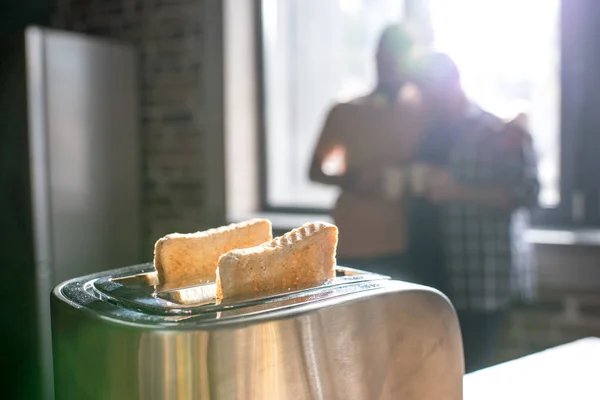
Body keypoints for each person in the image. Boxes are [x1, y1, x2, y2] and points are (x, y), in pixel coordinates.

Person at [410, 53, 539, 372]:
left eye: (433, 90)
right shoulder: (424, 132)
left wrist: (456, 191)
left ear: (453, 82)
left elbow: (528, 193)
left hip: (481, 277)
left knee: (480, 369)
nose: (429, 99)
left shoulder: (496, 132)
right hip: (432, 273)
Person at [309, 24, 424, 279]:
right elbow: (314, 171)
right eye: (386, 58)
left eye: (398, 59)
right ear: (375, 58)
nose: (391, 66)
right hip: (353, 242)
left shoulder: (422, 113)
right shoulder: (346, 111)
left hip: (405, 246)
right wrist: (356, 180)